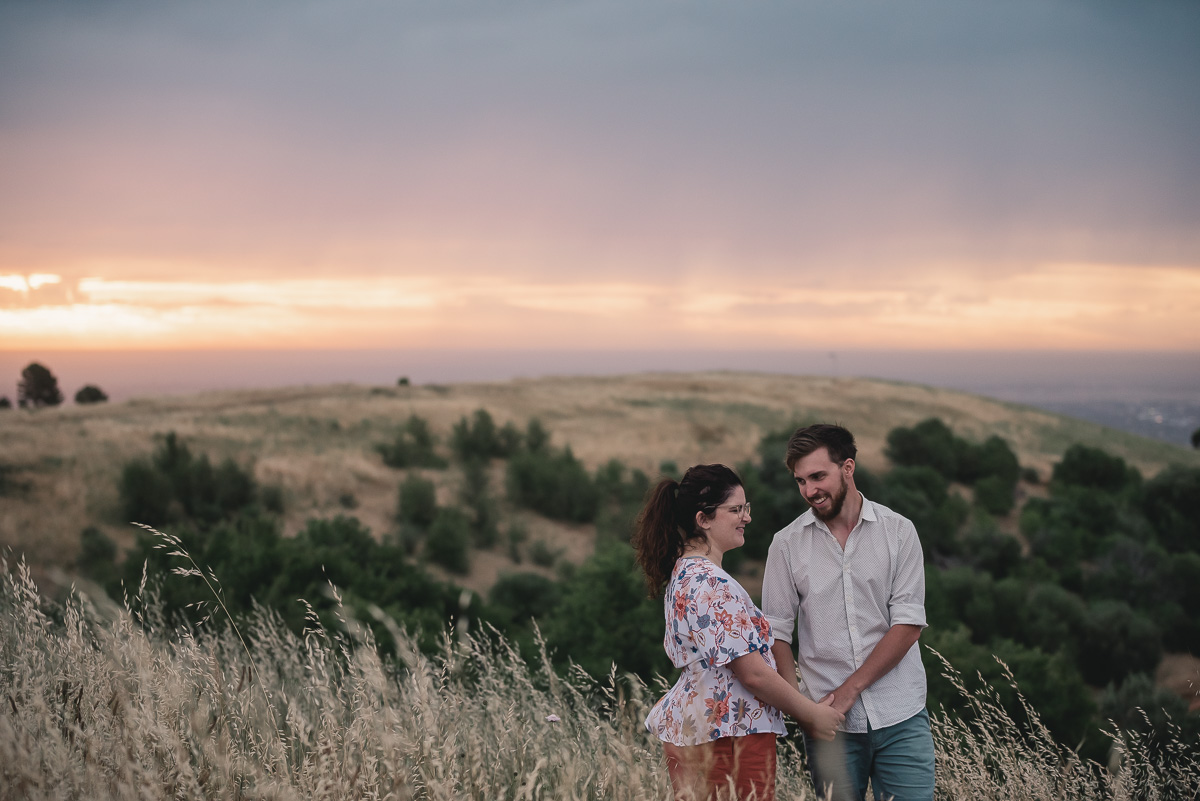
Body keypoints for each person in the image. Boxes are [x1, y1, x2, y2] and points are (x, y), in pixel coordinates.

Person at [635, 463, 844, 801]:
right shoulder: (711, 582)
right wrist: (811, 714)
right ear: (703, 519)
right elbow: (753, 675)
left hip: (700, 725)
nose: (746, 517)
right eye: (735, 509)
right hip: (730, 730)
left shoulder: (684, 574)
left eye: (746, 507)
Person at [761, 424, 935, 801]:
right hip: (829, 731)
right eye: (801, 481)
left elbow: (907, 625)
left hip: (901, 715)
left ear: (848, 468)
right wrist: (802, 709)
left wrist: (850, 689)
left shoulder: (899, 532)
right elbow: (775, 633)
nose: (810, 491)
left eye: (818, 476)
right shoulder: (786, 545)